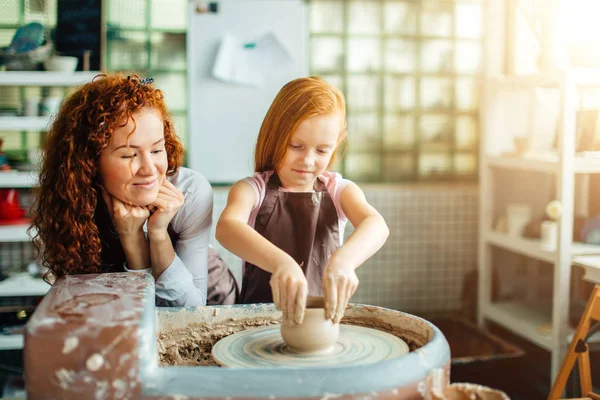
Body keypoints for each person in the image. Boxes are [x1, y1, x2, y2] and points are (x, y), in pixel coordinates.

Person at [32, 74, 238, 307]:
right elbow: (116, 311)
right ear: (90, 161)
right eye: (129, 155)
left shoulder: (190, 191)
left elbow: (190, 310)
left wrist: (158, 233)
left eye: (157, 150)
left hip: (213, 305)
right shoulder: (71, 198)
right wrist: (133, 239)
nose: (149, 170)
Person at [216, 76, 389, 324]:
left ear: (336, 144)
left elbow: (377, 225)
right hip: (256, 327)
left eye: (321, 150)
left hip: (320, 326)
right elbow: (226, 228)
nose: (308, 161)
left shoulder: (339, 190)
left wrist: (344, 262)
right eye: (296, 146)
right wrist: (281, 264)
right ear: (275, 137)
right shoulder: (253, 189)